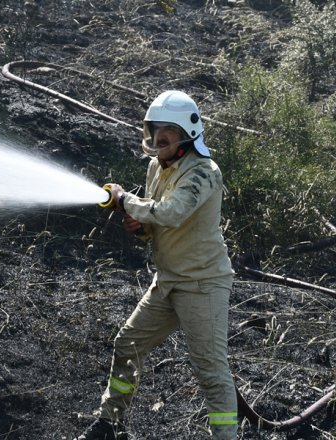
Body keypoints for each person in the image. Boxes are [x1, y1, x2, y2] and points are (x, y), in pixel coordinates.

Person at [77, 91, 238, 440]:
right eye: (154, 130)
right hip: (167, 281)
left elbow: (173, 212)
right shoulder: (156, 167)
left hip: (203, 284)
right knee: (127, 344)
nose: (158, 138)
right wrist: (140, 227)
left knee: (210, 370)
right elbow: (156, 220)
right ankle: (110, 425)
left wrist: (126, 200)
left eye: (167, 131)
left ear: (187, 133)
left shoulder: (205, 173)